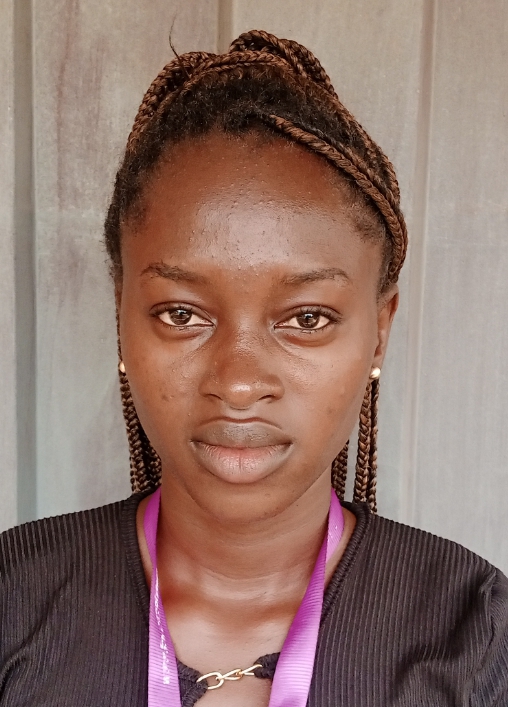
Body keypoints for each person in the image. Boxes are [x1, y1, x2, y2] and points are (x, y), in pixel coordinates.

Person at [1, 29, 507, 707]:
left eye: (307, 319)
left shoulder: (477, 641)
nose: (238, 384)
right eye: (182, 313)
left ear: (379, 332)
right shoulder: (15, 602)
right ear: (122, 314)